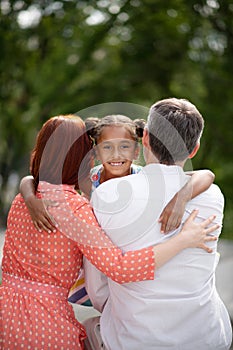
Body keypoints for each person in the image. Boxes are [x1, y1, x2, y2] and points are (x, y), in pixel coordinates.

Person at [0, 114, 217, 350]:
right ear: (91, 155)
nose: (116, 155)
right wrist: (183, 240)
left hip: (8, 310)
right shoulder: (78, 202)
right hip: (71, 296)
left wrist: (182, 196)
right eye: (106, 148)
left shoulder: (21, 201)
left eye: (124, 147)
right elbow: (120, 268)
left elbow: (205, 175)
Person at [83, 99, 232, 350]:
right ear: (194, 150)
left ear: (146, 139)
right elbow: (205, 175)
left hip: (133, 340)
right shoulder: (213, 197)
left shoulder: (107, 195)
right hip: (206, 337)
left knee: (89, 327)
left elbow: (97, 287)